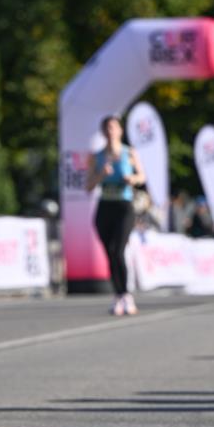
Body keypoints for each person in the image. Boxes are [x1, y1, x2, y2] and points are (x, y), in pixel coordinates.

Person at [86, 115, 145, 316]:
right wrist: (101, 174)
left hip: (124, 206)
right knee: (109, 253)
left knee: (118, 250)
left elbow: (142, 176)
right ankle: (117, 295)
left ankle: (126, 294)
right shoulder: (97, 156)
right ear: (103, 132)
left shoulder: (130, 153)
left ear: (119, 130)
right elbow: (88, 186)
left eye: (113, 127)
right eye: (107, 128)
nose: (110, 131)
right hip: (105, 207)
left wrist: (133, 179)